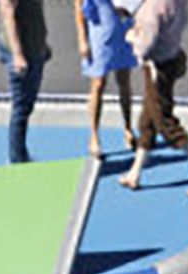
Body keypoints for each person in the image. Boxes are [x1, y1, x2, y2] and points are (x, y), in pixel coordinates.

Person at [116, 0, 188, 193]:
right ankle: (135, 173)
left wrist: (132, 38)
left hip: (158, 69)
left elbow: (144, 46)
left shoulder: (148, 12)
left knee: (165, 123)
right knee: (147, 123)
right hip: (173, 57)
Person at [74, 0, 137, 159]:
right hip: (99, 33)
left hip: (122, 29)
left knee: (124, 81)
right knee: (98, 84)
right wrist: (83, 40)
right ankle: (94, 135)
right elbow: (79, 8)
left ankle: (128, 129)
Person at [0, 0, 51, 164]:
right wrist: (17, 54)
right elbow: (7, 12)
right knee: (21, 109)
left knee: (26, 107)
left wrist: (43, 44)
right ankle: (16, 160)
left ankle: (20, 154)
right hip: (22, 52)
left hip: (35, 48)